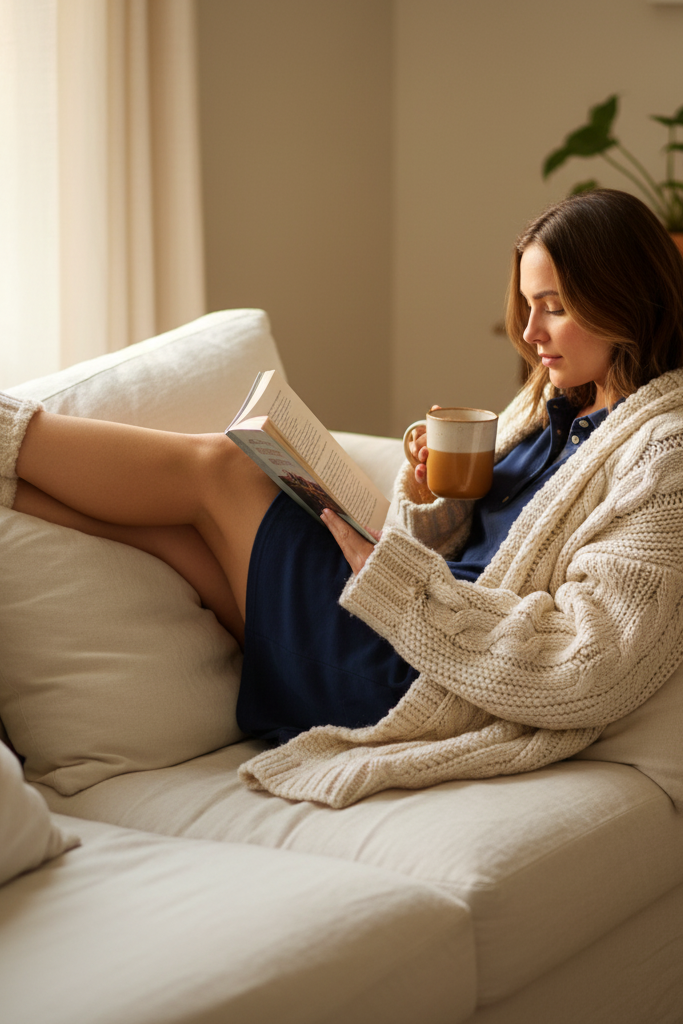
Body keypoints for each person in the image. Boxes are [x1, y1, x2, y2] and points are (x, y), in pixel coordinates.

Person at [3, 188, 683, 809]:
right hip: (406, 622)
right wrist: (427, 496)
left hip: (423, 675)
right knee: (176, 538)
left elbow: (592, 665)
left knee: (220, 469)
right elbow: (467, 544)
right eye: (527, 305)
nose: (530, 334)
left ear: (624, 300)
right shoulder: (552, 399)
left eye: (555, 308)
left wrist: (396, 584)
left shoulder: (664, 454)